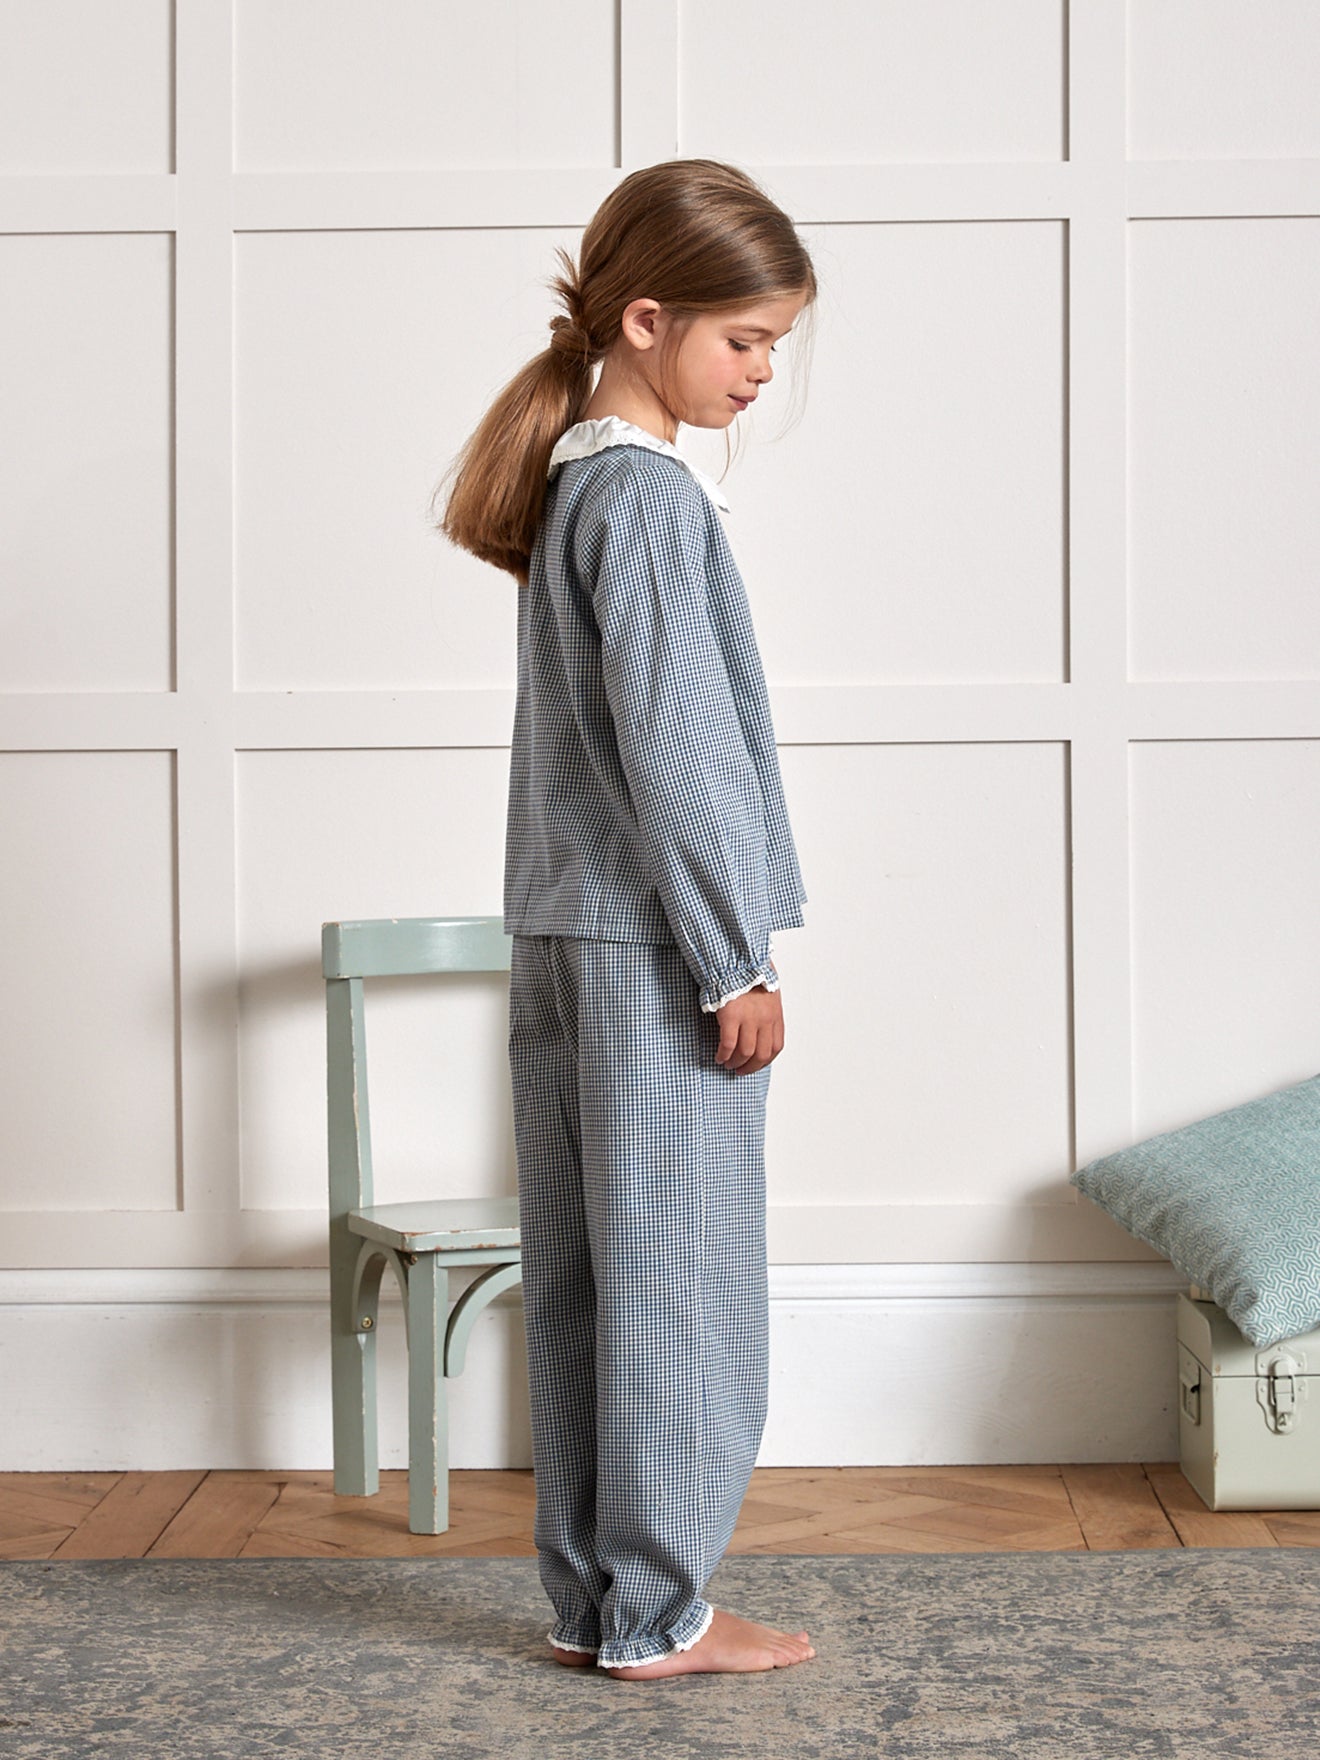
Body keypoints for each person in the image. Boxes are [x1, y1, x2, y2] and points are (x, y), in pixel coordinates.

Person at [435, 159, 816, 1680]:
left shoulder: (580, 484)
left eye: (775, 345)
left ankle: (603, 1605)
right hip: (653, 951)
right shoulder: (645, 497)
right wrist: (736, 957)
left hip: (561, 936)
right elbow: (680, 749)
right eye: (745, 340)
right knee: (680, 1285)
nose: (763, 373)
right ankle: (659, 1613)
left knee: (594, 1281)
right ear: (647, 322)